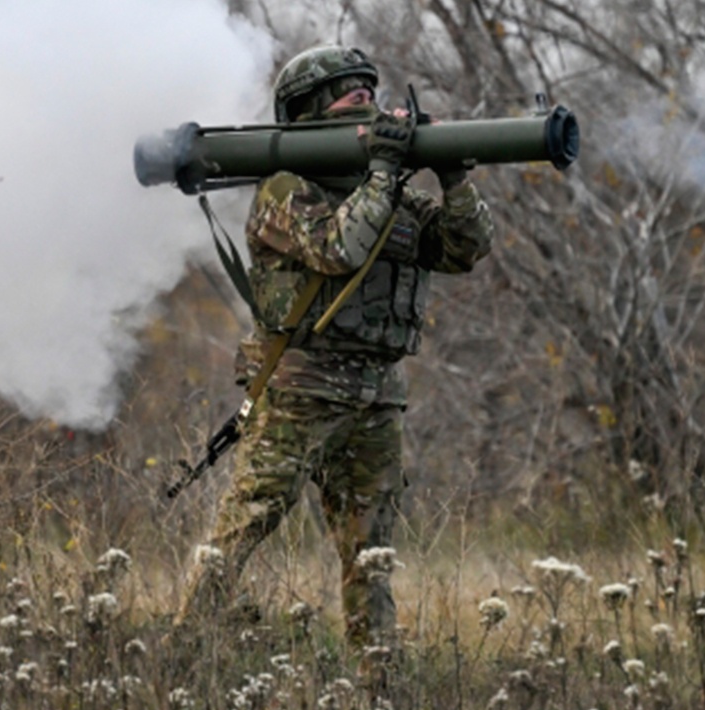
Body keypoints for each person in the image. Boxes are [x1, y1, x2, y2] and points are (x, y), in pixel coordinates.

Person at [179, 45, 494, 647]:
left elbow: (464, 248)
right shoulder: (285, 189)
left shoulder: (392, 197)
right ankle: (182, 650)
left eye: (368, 88)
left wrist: (453, 178)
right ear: (308, 110)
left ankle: (378, 680)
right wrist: (381, 173)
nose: (366, 98)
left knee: (370, 550)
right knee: (250, 518)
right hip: (302, 387)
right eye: (349, 90)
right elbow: (338, 249)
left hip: (377, 394)